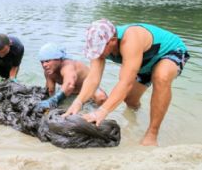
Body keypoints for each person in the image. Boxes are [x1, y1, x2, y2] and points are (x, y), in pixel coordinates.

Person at [62, 19, 190, 146]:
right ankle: (135, 121)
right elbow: (93, 78)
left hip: (169, 52)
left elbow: (125, 82)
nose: (97, 53)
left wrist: (102, 111)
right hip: (142, 63)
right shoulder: (100, 46)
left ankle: (152, 133)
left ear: (112, 41)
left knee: (161, 77)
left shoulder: (130, 39)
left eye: (99, 49)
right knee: (130, 101)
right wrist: (78, 102)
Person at [37, 43, 107, 109]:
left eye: (47, 61)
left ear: (59, 59)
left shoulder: (67, 66)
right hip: (70, 93)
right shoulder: (49, 71)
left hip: (88, 91)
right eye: (42, 62)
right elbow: (50, 90)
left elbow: (69, 85)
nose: (44, 65)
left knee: (101, 97)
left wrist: (53, 101)